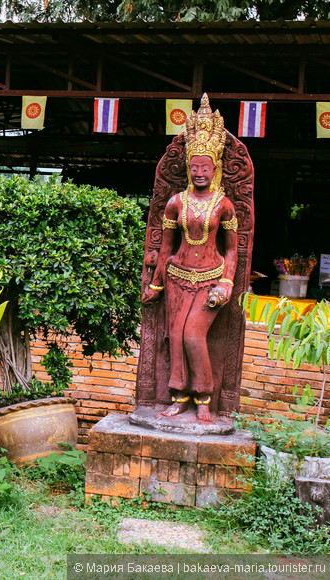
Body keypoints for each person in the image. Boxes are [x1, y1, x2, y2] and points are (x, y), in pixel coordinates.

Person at [141, 95, 238, 424]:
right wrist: (156, 284)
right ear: (188, 167)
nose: (199, 172)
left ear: (215, 168)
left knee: (194, 336)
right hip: (177, 278)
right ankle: (179, 396)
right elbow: (166, 247)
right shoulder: (175, 203)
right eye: (194, 167)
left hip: (210, 278)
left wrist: (226, 283)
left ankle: (204, 398)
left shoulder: (224, 205)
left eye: (205, 168)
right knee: (177, 336)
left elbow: (233, 250)